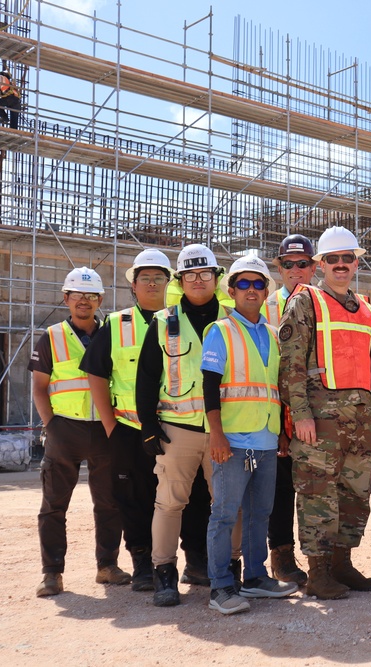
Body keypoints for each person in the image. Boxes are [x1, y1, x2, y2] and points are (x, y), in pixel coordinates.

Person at [279, 226, 371, 599]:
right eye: (333, 259)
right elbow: (290, 364)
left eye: (347, 259)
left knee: (355, 494)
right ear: (321, 264)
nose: (341, 265)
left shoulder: (369, 309)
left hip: (359, 422)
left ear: (356, 262)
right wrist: (301, 414)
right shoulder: (305, 301)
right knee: (318, 494)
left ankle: (342, 563)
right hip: (319, 422)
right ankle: (319, 571)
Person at [202, 256, 299, 615]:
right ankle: (220, 587)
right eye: (244, 283)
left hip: (267, 438)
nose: (252, 290)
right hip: (233, 439)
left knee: (261, 513)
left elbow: (276, 387)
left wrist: (282, 434)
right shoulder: (220, 331)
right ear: (232, 290)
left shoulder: (273, 336)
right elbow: (210, 387)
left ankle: (255, 578)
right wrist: (217, 435)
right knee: (225, 514)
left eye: (259, 284)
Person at [135, 244, 231, 606]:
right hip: (179, 429)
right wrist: (148, 426)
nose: (198, 281)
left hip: (226, 431)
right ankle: (164, 574)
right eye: (190, 274)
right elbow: (146, 377)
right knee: (169, 503)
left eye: (205, 273)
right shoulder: (164, 321)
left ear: (217, 277)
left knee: (227, 505)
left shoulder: (234, 318)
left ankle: (228, 570)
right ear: (180, 280)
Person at [30, 267, 128, 597]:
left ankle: (107, 565)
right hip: (65, 430)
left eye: (90, 296)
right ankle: (52, 573)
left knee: (109, 502)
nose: (83, 301)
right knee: (54, 505)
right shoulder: (51, 336)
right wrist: (51, 425)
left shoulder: (112, 333)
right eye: (76, 295)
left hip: (104, 428)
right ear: (66, 298)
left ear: (100, 299)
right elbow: (39, 387)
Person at [81, 249, 172, 592]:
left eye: (158, 277)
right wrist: (110, 425)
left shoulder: (181, 322)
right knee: (133, 498)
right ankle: (143, 563)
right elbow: (96, 374)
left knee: (181, 498)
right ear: (133, 286)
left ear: (168, 282)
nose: (151, 283)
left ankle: (186, 561)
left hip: (174, 428)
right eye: (144, 278)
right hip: (129, 431)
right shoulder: (117, 325)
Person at [261, 233, 317, 587]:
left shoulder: (324, 303)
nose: (296, 270)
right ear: (278, 268)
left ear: (314, 267)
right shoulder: (264, 306)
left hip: (317, 411)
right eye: (288, 264)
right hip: (276, 412)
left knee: (317, 488)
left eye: (303, 264)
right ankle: (281, 556)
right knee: (280, 490)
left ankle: (324, 558)